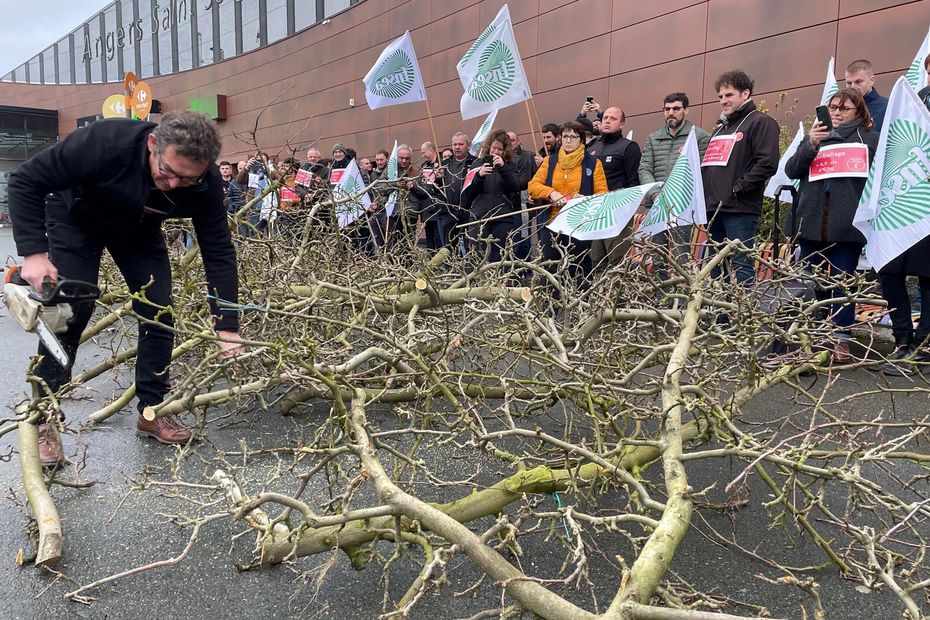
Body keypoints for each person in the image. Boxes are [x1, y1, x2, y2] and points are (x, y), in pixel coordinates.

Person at [7, 110, 244, 463]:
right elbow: (25, 180)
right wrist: (34, 254)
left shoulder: (205, 182)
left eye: (187, 180)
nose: (175, 185)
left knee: (159, 309)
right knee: (73, 306)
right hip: (76, 216)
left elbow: (218, 250)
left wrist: (227, 326)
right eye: (168, 173)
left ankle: (153, 409)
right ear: (153, 144)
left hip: (138, 227)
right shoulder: (103, 142)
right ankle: (45, 417)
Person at [785, 88, 878, 363]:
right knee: (806, 281)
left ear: (858, 111)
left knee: (842, 283)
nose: (836, 112)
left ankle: (842, 339)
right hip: (812, 220)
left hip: (845, 225)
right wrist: (810, 144)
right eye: (833, 107)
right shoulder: (816, 138)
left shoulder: (869, 140)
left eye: (843, 108)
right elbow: (792, 170)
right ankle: (803, 333)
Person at [701, 69, 780, 286]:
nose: (723, 101)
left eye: (729, 95)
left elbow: (767, 163)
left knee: (741, 265)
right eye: (720, 97)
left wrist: (737, 189)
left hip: (739, 208)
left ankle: (744, 316)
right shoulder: (720, 128)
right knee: (716, 266)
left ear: (745, 94)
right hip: (714, 208)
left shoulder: (760, 122)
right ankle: (722, 317)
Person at [878, 59, 930, 376]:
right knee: (889, 270)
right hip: (905, 202)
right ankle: (902, 340)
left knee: (929, 279)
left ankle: (923, 346)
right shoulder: (917, 99)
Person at [640, 92, 711, 270]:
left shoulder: (699, 137)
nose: (671, 112)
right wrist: (657, 195)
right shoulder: (653, 138)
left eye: (676, 108)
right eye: (667, 109)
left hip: (682, 208)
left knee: (682, 257)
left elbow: (699, 173)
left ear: (686, 110)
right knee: (657, 257)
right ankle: (659, 298)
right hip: (657, 206)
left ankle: (683, 296)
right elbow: (644, 169)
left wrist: (675, 198)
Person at [528, 120, 608, 277]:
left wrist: (585, 199)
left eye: (574, 136)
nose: (569, 140)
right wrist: (551, 193)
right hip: (551, 224)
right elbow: (533, 185)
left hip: (579, 226)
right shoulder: (549, 161)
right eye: (565, 136)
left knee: (578, 270)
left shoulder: (593, 163)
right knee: (550, 271)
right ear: (560, 139)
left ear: (581, 140)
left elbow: (603, 194)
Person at [586, 105, 642, 268]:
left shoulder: (629, 147)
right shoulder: (592, 147)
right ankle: (599, 294)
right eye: (605, 118)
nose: (608, 121)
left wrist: (627, 211)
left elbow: (634, 183)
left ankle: (616, 293)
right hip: (596, 212)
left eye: (613, 118)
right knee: (597, 260)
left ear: (622, 124)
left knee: (617, 261)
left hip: (618, 213)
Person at [461, 130, 521, 262]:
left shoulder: (510, 165)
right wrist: (479, 176)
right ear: (488, 146)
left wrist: (503, 168)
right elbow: (467, 194)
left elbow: (516, 187)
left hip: (503, 217)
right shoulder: (477, 164)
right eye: (494, 147)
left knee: (500, 258)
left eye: (500, 149)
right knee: (477, 257)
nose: (496, 151)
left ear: (505, 150)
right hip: (479, 217)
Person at [845, 59, 889, 131]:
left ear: (872, 80)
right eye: (849, 83)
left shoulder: (887, 107)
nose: (853, 87)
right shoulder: (838, 110)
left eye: (858, 82)